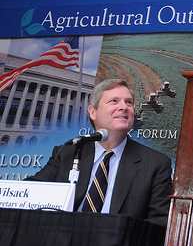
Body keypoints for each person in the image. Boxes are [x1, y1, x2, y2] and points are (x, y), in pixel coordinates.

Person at [27, 78, 173, 227]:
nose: (124, 107)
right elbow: (30, 193)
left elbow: (160, 223)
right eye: (114, 101)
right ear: (93, 112)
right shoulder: (68, 152)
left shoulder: (155, 164)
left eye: (129, 102)